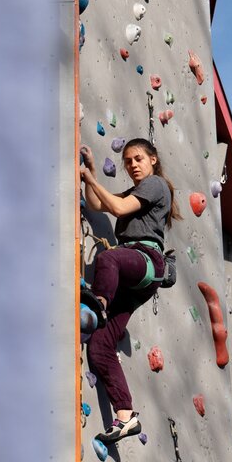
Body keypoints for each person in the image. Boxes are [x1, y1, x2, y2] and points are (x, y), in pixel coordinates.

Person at [79, 138, 181, 445]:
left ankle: (98, 304)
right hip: (133, 277)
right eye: (127, 161)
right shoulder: (139, 191)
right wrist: (93, 172)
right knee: (99, 346)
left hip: (145, 259)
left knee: (108, 258)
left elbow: (118, 207)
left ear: (152, 159)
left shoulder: (155, 185)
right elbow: (99, 204)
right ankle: (126, 417)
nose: (132, 164)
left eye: (138, 158)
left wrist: (91, 179)